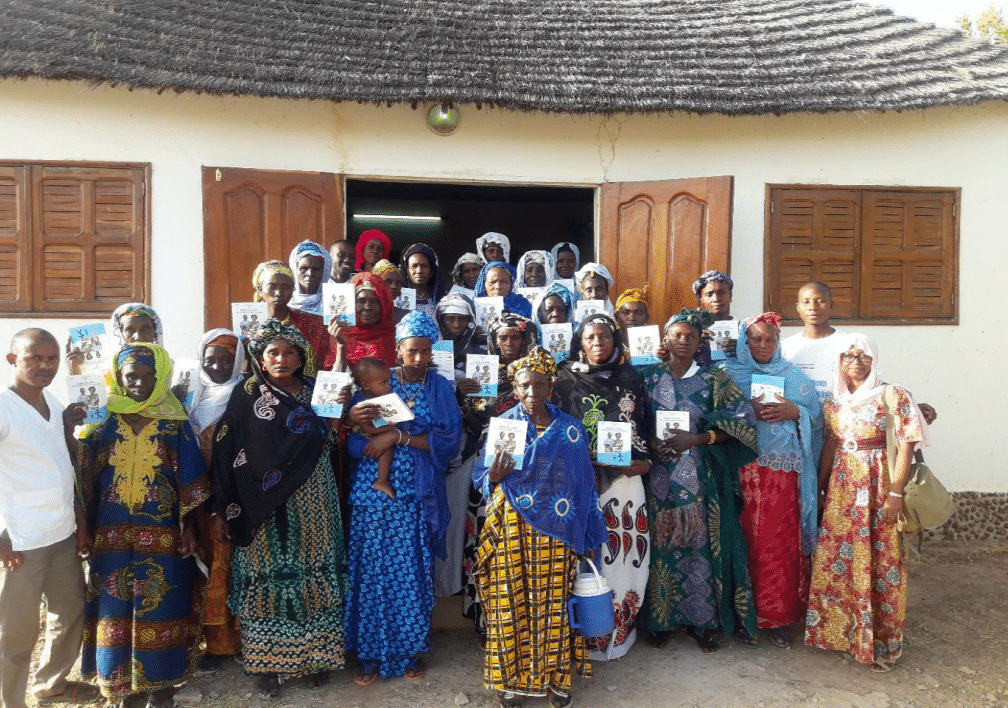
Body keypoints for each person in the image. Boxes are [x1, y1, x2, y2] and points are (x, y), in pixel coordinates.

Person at [209, 321, 347, 698]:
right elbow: (225, 450)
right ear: (260, 358)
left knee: (313, 570)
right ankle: (267, 665)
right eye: (273, 353)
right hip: (256, 503)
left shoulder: (316, 391)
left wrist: (341, 347)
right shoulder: (246, 394)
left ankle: (316, 658)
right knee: (263, 574)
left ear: (302, 357)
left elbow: (331, 432)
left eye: (290, 353)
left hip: (312, 495)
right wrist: (221, 509)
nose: (282, 359)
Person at [472, 347, 606, 708]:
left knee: (552, 605)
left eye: (539, 385)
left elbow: (583, 487)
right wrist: (495, 476)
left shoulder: (571, 430)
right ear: (514, 389)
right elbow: (482, 478)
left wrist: (588, 536)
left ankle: (556, 679)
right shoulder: (504, 427)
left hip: (557, 534)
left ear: (551, 388)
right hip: (511, 528)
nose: (532, 393)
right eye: (524, 386)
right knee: (509, 603)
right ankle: (513, 682)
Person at [77, 344, 209, 708]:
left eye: (146, 377)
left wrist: (190, 529)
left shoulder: (174, 420)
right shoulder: (101, 419)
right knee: (112, 607)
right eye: (129, 376)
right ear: (117, 378)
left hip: (165, 533)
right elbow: (83, 478)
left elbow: (191, 481)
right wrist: (83, 528)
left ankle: (161, 687)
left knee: (164, 604)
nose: (137, 383)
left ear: (159, 377)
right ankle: (120, 686)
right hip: (110, 534)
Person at [344, 311, 462, 684]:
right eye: (412, 350)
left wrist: (398, 437)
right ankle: (369, 655)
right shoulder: (377, 381)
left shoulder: (440, 388)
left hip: (414, 493)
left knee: (410, 573)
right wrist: (353, 421)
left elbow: (448, 441)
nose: (418, 358)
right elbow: (351, 442)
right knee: (370, 572)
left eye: (425, 351)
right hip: (371, 494)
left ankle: (412, 651)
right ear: (398, 349)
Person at [638, 309, 758, 653]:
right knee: (660, 549)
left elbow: (742, 422)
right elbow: (632, 420)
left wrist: (698, 439)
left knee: (700, 550)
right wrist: (648, 443)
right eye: (677, 334)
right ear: (665, 340)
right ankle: (660, 622)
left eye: (691, 335)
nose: (684, 340)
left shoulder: (715, 379)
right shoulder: (647, 377)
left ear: (699, 341)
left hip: (699, 481)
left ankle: (702, 622)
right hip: (659, 480)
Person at [804, 334, 926, 672]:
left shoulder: (893, 395)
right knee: (842, 560)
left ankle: (885, 644)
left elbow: (907, 444)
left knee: (883, 563)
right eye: (849, 355)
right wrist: (820, 487)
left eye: (864, 355)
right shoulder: (834, 402)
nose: (856, 361)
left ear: (874, 360)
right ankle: (849, 636)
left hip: (879, 487)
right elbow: (831, 444)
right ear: (840, 361)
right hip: (843, 491)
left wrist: (897, 491)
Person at [0, 329, 98, 708]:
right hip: (21, 540)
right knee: (16, 632)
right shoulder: (5, 409)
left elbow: (64, 465)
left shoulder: (53, 403)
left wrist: (82, 524)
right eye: (34, 358)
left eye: (51, 358)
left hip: (61, 534)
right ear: (13, 361)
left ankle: (51, 686)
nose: (45, 366)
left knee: (69, 612)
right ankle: (12, 701)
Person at [551, 314, 651, 660]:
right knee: (582, 558)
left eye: (604, 337)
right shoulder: (562, 379)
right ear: (580, 341)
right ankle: (582, 638)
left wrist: (645, 460)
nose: (598, 344)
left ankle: (618, 635)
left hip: (624, 481)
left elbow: (646, 427)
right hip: (576, 483)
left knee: (624, 556)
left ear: (615, 340)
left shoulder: (632, 378)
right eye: (590, 337)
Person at [723, 313, 821, 649]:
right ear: (743, 341)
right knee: (744, 543)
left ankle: (779, 617)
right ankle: (744, 616)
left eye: (771, 339)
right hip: (743, 473)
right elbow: (714, 415)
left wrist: (797, 413)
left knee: (778, 546)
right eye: (756, 339)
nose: (763, 346)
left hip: (782, 475)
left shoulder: (792, 376)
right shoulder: (729, 375)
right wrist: (744, 409)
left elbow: (817, 418)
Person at [461, 313, 541, 638]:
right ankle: (486, 621)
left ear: (525, 339)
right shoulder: (483, 375)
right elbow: (472, 423)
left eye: (515, 337)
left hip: (530, 468)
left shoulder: (535, 377)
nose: (509, 344)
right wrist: (462, 398)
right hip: (488, 465)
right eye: (503, 338)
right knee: (487, 539)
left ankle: (521, 624)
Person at [183, 329, 246, 673]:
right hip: (197, 496)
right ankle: (213, 644)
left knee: (235, 565)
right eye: (211, 359)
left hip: (234, 493)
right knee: (205, 565)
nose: (218, 365)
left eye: (226, 359)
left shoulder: (245, 396)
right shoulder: (190, 397)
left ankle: (241, 640)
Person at [253, 260, 334, 374]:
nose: (278, 293)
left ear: (293, 289)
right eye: (272, 286)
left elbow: (325, 364)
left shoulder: (313, 324)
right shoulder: (249, 324)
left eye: (286, 287)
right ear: (260, 290)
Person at [350, 358, 398, 499]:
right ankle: (381, 481)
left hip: (366, 438)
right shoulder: (362, 404)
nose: (388, 386)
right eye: (383, 383)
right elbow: (368, 429)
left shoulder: (378, 399)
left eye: (388, 381)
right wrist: (391, 431)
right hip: (358, 441)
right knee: (388, 448)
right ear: (365, 385)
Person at [329, 272, 398, 368]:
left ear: (384, 304)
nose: (367, 307)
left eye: (375, 301)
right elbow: (333, 377)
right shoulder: (338, 334)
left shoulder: (396, 336)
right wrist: (341, 346)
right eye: (361, 301)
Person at [692, 270, 737, 366]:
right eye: (709, 294)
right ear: (701, 299)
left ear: (730, 296)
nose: (716, 299)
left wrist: (741, 348)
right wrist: (692, 340)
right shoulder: (689, 326)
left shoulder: (742, 328)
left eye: (721, 293)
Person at [288, 240, 332, 317]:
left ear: (324, 273)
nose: (310, 274)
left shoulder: (333, 302)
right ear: (295, 271)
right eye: (304, 268)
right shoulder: (285, 302)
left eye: (316, 269)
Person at [401, 243, 443, 319]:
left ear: (432, 271)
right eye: (414, 266)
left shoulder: (440, 298)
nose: (419, 271)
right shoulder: (399, 297)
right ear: (407, 270)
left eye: (424, 266)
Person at [372, 259, 410, 323]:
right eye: (388, 282)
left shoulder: (404, 315)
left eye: (398, 282)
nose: (394, 286)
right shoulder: (367, 313)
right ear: (375, 283)